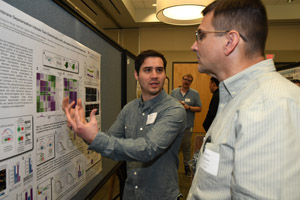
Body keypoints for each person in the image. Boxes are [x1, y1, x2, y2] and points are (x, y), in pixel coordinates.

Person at [188, 0, 300, 199]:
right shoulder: (238, 97)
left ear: (230, 41)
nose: (194, 46)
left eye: (201, 35)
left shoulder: (268, 105)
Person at [62, 50, 186, 200]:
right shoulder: (129, 109)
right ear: (136, 75)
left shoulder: (174, 110)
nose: (154, 75)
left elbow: (147, 149)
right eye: (147, 70)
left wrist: (95, 137)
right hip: (131, 194)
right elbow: (107, 139)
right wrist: (83, 128)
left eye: (159, 70)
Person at [171, 74, 202, 177]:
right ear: (182, 80)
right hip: (174, 125)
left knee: (186, 148)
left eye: (189, 80)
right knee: (173, 147)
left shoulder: (195, 94)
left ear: (191, 82)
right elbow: (169, 106)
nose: (186, 81)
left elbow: (199, 108)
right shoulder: (174, 92)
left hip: (187, 126)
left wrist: (188, 107)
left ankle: (187, 168)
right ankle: (172, 168)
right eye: (185, 79)